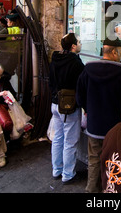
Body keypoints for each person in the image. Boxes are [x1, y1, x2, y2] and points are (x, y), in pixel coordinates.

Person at [76, 37, 121, 193]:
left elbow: (79, 96)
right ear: (113, 51)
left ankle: (91, 189)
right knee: (113, 161)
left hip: (94, 125)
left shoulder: (87, 70)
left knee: (94, 160)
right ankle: (109, 190)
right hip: (115, 127)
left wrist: (88, 109)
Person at [49, 33, 84, 184]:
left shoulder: (55, 59)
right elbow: (81, 84)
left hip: (56, 104)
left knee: (58, 138)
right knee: (70, 141)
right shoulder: (76, 63)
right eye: (79, 41)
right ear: (73, 46)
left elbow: (50, 82)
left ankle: (56, 169)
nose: (80, 43)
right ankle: (68, 174)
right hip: (69, 107)